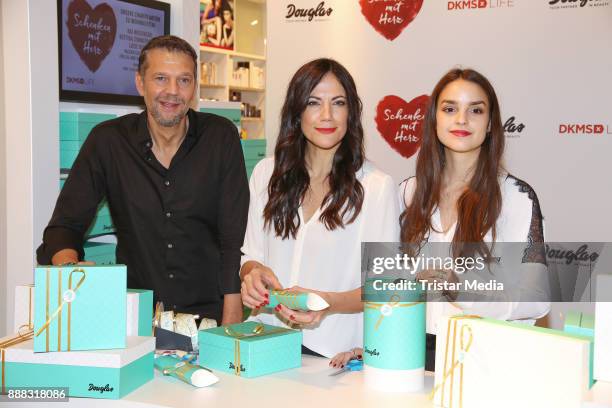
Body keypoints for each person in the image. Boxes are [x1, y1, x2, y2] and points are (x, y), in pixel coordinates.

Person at [331, 68, 551, 370]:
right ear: (435, 120)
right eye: (450, 109)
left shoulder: (516, 197)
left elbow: (537, 300)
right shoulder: (408, 192)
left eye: (475, 110)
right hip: (413, 356)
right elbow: (394, 288)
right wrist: (374, 347)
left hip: (484, 359)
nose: (461, 119)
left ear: (490, 125)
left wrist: (461, 287)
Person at [36, 35, 249, 326]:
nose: (172, 91)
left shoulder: (220, 137)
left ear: (194, 88)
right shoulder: (108, 142)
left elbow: (232, 236)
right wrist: (70, 273)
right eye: (161, 78)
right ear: (140, 83)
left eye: (184, 80)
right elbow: (64, 226)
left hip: (209, 316)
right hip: (136, 318)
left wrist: (232, 315)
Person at [239, 58, 399, 358]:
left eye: (338, 103)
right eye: (314, 102)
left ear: (351, 113)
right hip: (264, 344)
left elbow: (384, 287)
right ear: (297, 111)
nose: (327, 115)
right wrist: (252, 275)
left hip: (332, 357)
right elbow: (251, 256)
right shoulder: (266, 174)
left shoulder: (376, 187)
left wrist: (328, 302)